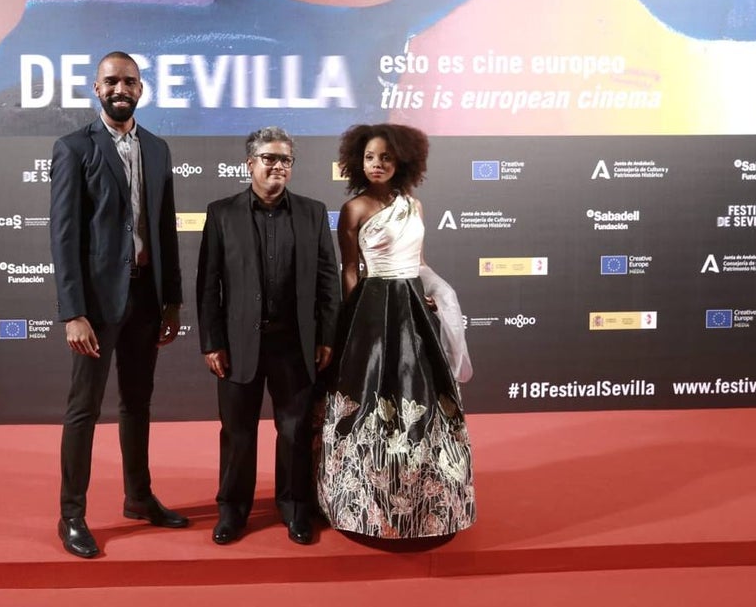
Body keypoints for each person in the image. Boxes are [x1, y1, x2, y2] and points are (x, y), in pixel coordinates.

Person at [49, 51, 188, 558]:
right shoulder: (73, 148)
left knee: (137, 404)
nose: (120, 88)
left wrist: (172, 300)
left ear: (141, 88)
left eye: (129, 80)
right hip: (97, 306)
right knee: (83, 409)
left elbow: (164, 228)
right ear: (96, 87)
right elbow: (63, 237)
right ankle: (71, 515)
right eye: (111, 81)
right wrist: (72, 311)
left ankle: (138, 496)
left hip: (147, 298)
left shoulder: (157, 148)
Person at [316, 123, 476, 539]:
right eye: (370, 157)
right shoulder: (354, 209)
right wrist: (354, 319)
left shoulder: (415, 206)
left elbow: (419, 261)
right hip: (372, 308)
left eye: (385, 157)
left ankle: (429, 503)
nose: (377, 164)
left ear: (401, 160)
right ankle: (363, 502)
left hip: (412, 307)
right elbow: (350, 270)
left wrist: (431, 292)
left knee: (423, 393)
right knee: (371, 397)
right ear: (357, 161)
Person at [196, 126, 341, 545]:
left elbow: (328, 280)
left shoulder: (313, 212)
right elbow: (209, 284)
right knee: (237, 433)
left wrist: (327, 335)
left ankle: (295, 508)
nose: (277, 166)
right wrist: (212, 341)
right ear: (250, 164)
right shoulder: (222, 213)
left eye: (285, 160)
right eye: (269, 158)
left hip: (295, 345)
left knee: (295, 432)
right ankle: (232, 511)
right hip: (239, 345)